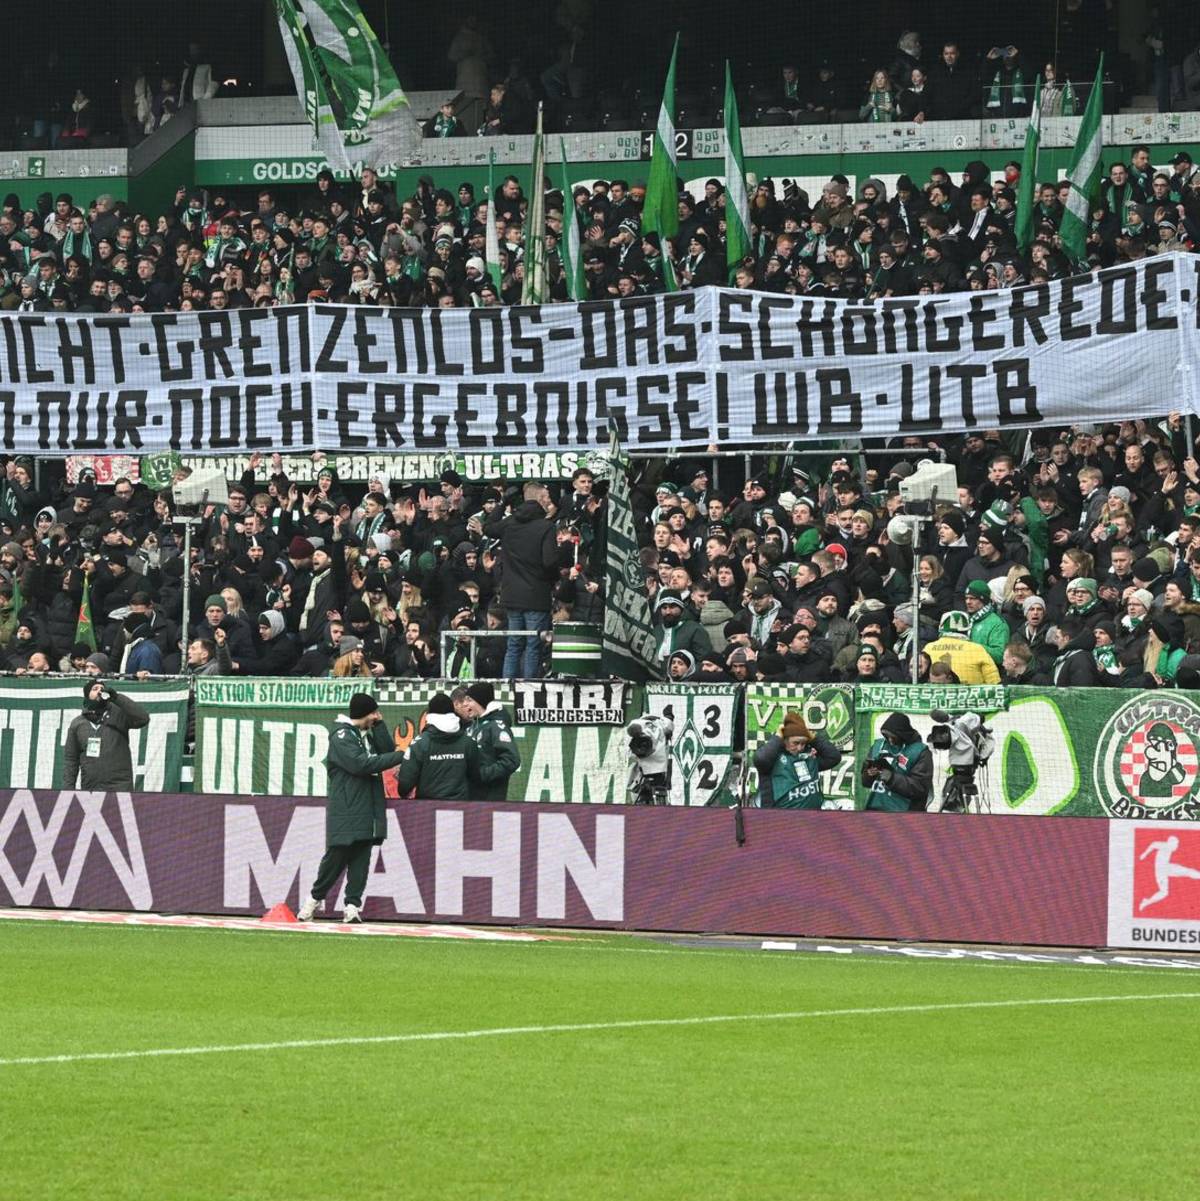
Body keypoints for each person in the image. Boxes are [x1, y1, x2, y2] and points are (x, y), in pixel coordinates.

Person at [298, 692, 408, 925]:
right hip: (347, 807)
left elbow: (387, 750)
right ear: (362, 714)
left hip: (368, 805)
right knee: (336, 857)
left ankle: (352, 906)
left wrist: (379, 726)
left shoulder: (364, 734)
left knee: (362, 857)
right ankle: (313, 901)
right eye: (374, 712)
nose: (378, 716)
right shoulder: (341, 736)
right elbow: (361, 764)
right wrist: (402, 755)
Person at [397, 691, 496, 800]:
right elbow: (476, 777)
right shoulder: (468, 741)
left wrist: (404, 793)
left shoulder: (419, 743)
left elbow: (405, 782)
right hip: (460, 807)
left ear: (430, 716)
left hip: (427, 808)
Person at [62, 681, 151, 789]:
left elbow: (143, 718)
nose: (99, 691)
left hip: (119, 786)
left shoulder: (119, 714)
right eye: (95, 689)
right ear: (87, 695)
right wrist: (67, 789)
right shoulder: (77, 723)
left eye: (102, 688)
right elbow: (71, 759)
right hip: (91, 787)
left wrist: (117, 698)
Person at [753, 710, 843, 809]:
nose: (800, 748)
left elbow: (834, 757)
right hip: (782, 820)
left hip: (814, 818)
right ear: (784, 740)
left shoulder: (808, 756)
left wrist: (814, 738)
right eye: (795, 743)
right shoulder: (773, 757)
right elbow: (760, 759)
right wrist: (777, 737)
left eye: (803, 743)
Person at [452, 680, 520, 800]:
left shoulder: (496, 726)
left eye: (469, 700)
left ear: (480, 701)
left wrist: (482, 774)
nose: (465, 704)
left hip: (489, 799)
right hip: (472, 796)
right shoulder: (474, 725)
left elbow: (511, 760)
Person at [861, 712, 933, 812]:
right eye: (886, 735)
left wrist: (892, 779)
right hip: (875, 809)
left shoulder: (920, 751)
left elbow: (921, 789)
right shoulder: (878, 746)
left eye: (894, 737)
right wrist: (869, 773)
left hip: (905, 813)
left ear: (903, 735)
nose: (890, 740)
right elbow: (865, 782)